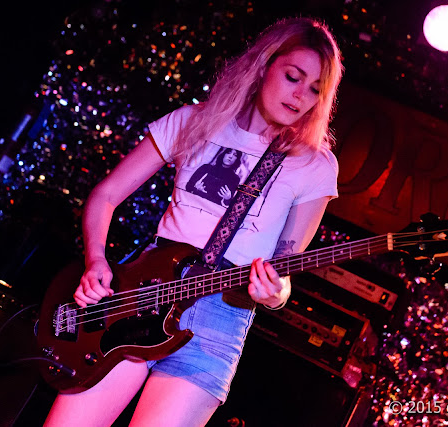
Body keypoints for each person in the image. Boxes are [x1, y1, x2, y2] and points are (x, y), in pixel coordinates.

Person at [44, 16, 343, 427]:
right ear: (263, 65)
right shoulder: (195, 120)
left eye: (315, 90)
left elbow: (286, 267)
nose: (301, 96)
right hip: (140, 293)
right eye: (294, 76)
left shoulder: (314, 164)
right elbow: (106, 195)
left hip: (218, 320)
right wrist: (97, 261)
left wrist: (273, 293)